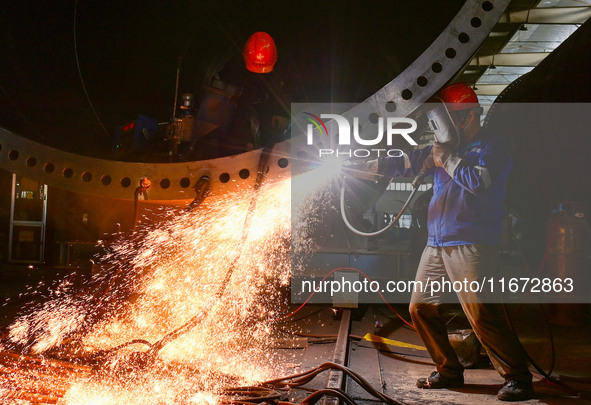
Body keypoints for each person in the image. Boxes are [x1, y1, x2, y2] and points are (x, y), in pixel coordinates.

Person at [374, 83, 533, 401]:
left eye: (442, 122)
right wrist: (361, 168)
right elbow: (404, 163)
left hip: (472, 242)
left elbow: (479, 181)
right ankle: (448, 369)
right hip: (436, 243)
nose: (436, 131)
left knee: (481, 312)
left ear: (466, 119)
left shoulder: (493, 147)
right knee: (420, 307)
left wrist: (446, 159)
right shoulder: (440, 149)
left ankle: (518, 377)